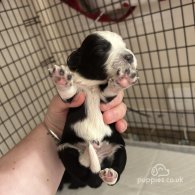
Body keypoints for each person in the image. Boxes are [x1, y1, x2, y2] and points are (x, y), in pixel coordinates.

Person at [0, 92, 127, 195]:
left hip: (90, 149)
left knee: (118, 150)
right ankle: (101, 168)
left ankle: (110, 172)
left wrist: (53, 128)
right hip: (82, 149)